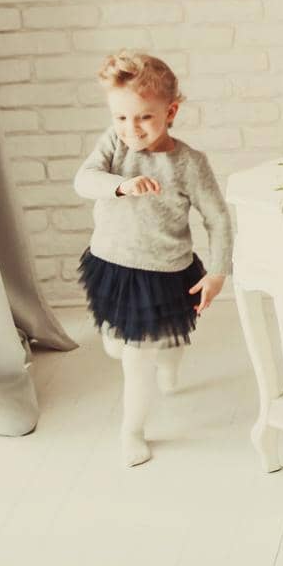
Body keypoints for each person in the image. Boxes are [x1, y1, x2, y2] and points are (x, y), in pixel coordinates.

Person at [75, 51, 233, 466]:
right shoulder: (113, 145)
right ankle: (164, 352)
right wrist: (122, 186)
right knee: (116, 347)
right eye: (121, 118)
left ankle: (132, 430)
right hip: (112, 264)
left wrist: (218, 271)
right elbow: (84, 180)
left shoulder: (189, 164)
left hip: (162, 271)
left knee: (138, 359)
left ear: (171, 111)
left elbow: (218, 218)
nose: (131, 129)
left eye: (144, 117)